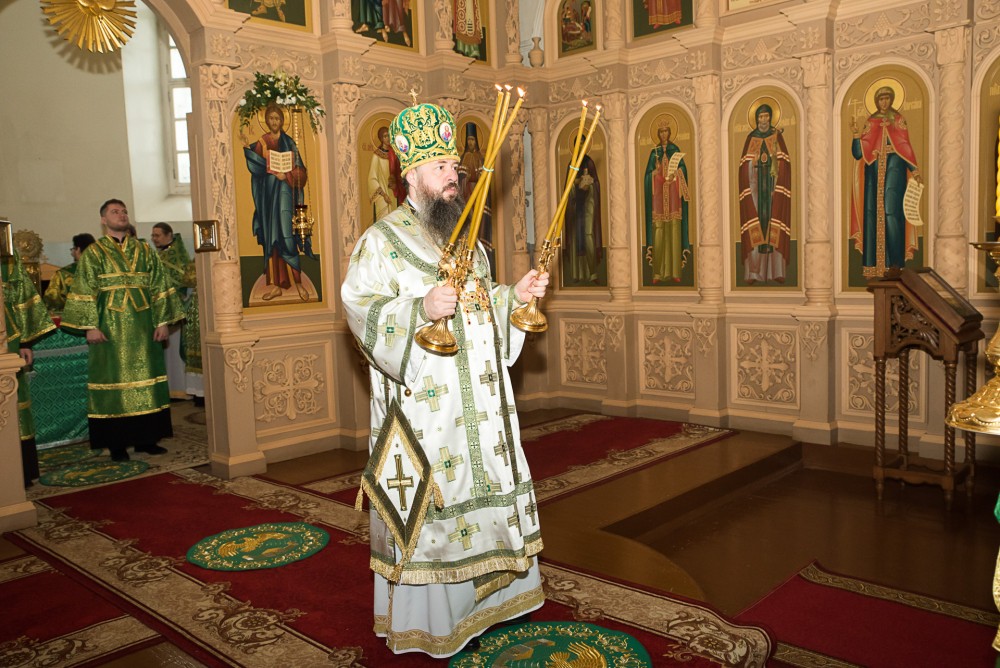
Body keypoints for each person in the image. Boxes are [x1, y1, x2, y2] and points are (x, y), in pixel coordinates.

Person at [341, 101, 549, 658]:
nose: (454, 176)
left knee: (486, 497)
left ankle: (495, 604)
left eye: (455, 167)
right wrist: (420, 309)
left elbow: (482, 310)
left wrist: (513, 297)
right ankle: (435, 622)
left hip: (478, 410)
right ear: (411, 174)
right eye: (441, 168)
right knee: (437, 516)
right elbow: (361, 309)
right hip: (427, 415)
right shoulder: (381, 241)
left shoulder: (468, 241)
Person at [61, 199, 185, 461]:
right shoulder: (94, 253)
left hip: (144, 327)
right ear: (103, 220)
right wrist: (90, 327)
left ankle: (146, 439)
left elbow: (160, 286)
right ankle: (116, 443)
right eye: (115, 211)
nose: (121, 215)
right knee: (113, 381)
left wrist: (163, 322)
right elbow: (84, 289)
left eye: (124, 211)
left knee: (146, 379)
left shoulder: (145, 250)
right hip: (109, 329)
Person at [243, 101, 314, 302]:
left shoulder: (289, 143)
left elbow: (302, 173)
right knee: (272, 239)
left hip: (285, 197)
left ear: (282, 121)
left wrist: (287, 175)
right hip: (269, 198)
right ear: (267, 121)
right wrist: (253, 154)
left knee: (287, 236)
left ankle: (298, 283)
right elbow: (256, 167)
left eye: (277, 118)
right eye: (271, 119)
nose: (274, 122)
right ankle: (276, 286)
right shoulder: (262, 143)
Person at [849, 85, 921, 279]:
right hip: (873, 172)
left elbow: (904, 146)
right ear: (876, 101)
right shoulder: (871, 122)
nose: (884, 102)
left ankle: (895, 265)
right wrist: (856, 135)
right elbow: (858, 153)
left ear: (891, 100)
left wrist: (914, 170)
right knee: (871, 215)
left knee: (893, 213)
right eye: (881, 99)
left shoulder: (898, 120)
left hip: (895, 169)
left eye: (887, 98)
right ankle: (873, 265)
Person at [4, 250, 55, 486]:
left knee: (13, 399)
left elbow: (23, 297)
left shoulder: (6, 255)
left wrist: (25, 342)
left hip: (8, 339)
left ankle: (19, 471)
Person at [737, 103, 791, 284]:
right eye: (760, 117)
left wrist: (776, 163)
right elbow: (744, 167)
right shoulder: (751, 138)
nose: (764, 120)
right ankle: (754, 273)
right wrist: (752, 163)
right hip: (755, 191)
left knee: (773, 225)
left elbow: (785, 163)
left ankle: (776, 271)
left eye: (766, 116)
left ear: (770, 118)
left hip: (773, 189)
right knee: (756, 226)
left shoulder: (777, 137)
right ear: (756, 119)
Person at [150, 223, 196, 399]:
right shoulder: (160, 255)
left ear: (169, 235)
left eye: (158, 235)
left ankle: (180, 388)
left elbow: (181, 281)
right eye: (153, 236)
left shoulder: (177, 256)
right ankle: (168, 388)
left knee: (175, 350)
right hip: (161, 310)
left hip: (175, 309)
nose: (154, 239)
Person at [643, 122, 690, 284]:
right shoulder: (654, 153)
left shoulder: (674, 150)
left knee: (674, 233)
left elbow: (683, 171)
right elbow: (647, 178)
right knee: (658, 234)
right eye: (661, 131)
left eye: (666, 131)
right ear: (658, 134)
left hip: (673, 199)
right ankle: (658, 273)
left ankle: (675, 271)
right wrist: (654, 172)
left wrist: (675, 174)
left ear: (669, 133)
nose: (663, 134)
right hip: (658, 202)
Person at [457, 122, 494, 277]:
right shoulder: (463, 158)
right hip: (467, 197)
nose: (471, 142)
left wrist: (479, 177)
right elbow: (460, 181)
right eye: (469, 140)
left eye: (473, 139)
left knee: (480, 227)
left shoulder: (481, 158)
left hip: (479, 198)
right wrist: (466, 178)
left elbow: (486, 182)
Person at [562, 148, 603, 285]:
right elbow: (568, 188)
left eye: (582, 144)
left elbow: (596, 183)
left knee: (588, 235)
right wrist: (576, 183)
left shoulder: (589, 162)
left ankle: (593, 273)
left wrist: (589, 185)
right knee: (575, 237)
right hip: (575, 205)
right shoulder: (572, 164)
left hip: (588, 204)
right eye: (577, 145)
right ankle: (577, 274)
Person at [43, 233, 96, 313]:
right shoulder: (104, 271)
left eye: (73, 249)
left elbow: (52, 300)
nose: (72, 253)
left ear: (78, 249)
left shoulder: (62, 275)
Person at [367, 126, 397, 222]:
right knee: (384, 221)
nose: (387, 138)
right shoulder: (377, 156)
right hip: (382, 197)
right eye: (385, 136)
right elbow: (372, 179)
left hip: (393, 194)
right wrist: (384, 195)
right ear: (381, 138)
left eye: (389, 136)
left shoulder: (394, 155)